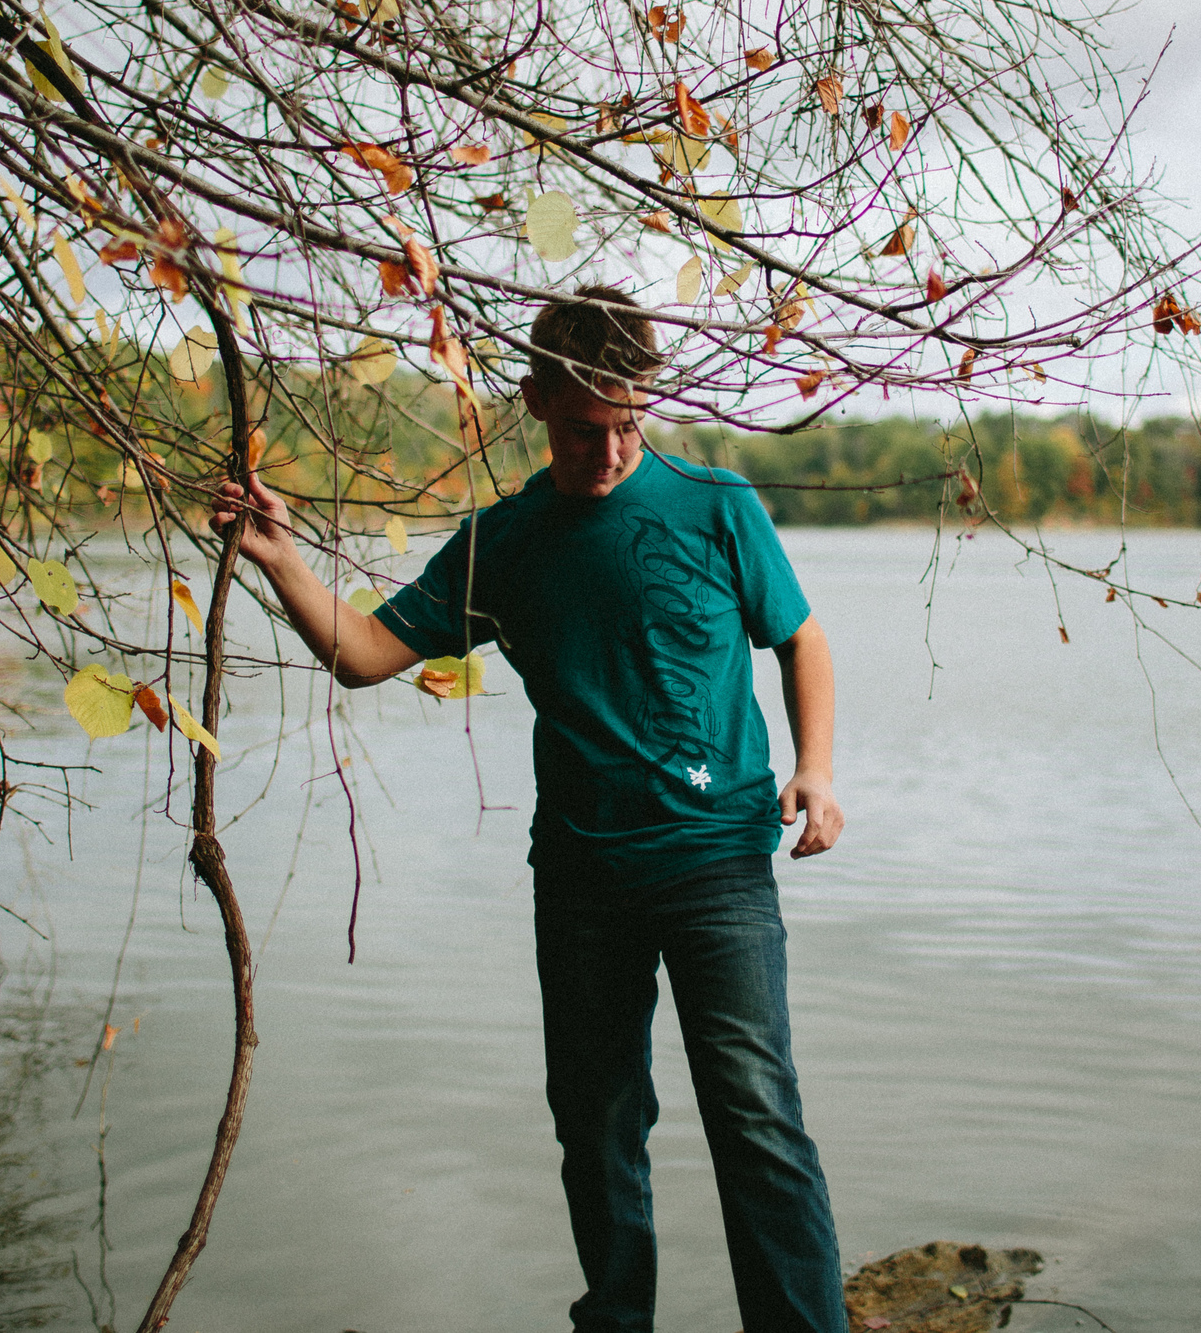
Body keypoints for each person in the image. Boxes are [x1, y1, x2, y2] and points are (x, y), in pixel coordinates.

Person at [214, 285, 847, 1333]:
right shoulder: (502, 543)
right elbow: (366, 654)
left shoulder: (717, 507)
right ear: (537, 401)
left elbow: (801, 637)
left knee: (755, 1118)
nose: (606, 451)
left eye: (627, 423)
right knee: (596, 1126)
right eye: (585, 428)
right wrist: (279, 555)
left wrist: (816, 768)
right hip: (583, 875)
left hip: (716, 863)